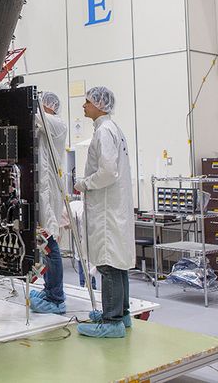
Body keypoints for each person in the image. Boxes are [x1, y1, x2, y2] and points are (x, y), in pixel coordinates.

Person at [74, 87, 135, 338]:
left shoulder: (104, 132)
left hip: (107, 209)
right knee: (118, 262)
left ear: (100, 105)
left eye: (87, 101)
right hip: (114, 207)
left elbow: (108, 172)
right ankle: (122, 314)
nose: (84, 105)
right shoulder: (113, 129)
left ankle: (111, 322)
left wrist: (84, 183)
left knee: (108, 263)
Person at [30, 91, 68, 315]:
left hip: (49, 193)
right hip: (41, 191)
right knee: (45, 244)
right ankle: (50, 290)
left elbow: (35, 115)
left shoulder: (56, 123)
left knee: (50, 244)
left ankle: (56, 298)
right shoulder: (44, 124)